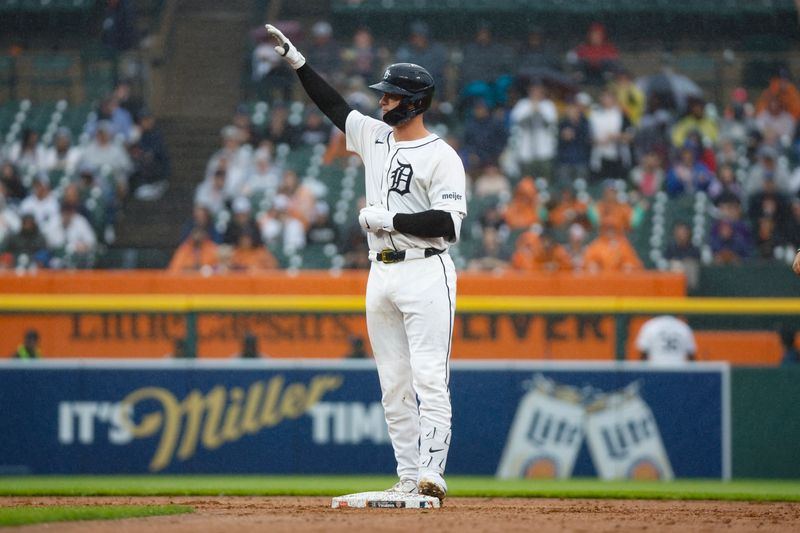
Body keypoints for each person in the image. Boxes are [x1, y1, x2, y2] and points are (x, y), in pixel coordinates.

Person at [267, 23, 466, 500]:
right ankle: (406, 475)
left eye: (392, 97)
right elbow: (334, 106)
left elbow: (447, 222)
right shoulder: (375, 137)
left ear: (415, 102)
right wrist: (298, 63)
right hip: (382, 273)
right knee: (393, 382)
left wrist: (388, 218)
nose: (383, 102)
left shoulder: (442, 156)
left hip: (426, 267)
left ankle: (432, 475)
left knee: (429, 377)